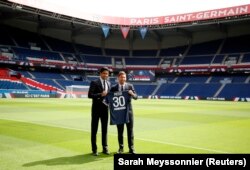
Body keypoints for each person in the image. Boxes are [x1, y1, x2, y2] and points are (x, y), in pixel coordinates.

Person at [110, 71, 138, 154]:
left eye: (124, 77)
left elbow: (136, 97)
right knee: (120, 131)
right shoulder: (114, 88)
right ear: (118, 78)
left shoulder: (130, 86)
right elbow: (110, 99)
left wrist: (132, 93)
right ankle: (121, 148)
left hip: (129, 112)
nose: (123, 79)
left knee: (130, 131)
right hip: (119, 113)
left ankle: (131, 148)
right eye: (122, 77)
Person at [88, 67, 111, 156]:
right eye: (104, 73)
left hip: (105, 109)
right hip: (96, 109)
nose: (106, 75)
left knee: (105, 129)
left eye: (107, 74)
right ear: (100, 74)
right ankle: (94, 149)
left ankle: (105, 148)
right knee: (94, 130)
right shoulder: (94, 82)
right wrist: (100, 94)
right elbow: (90, 95)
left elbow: (109, 96)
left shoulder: (109, 83)